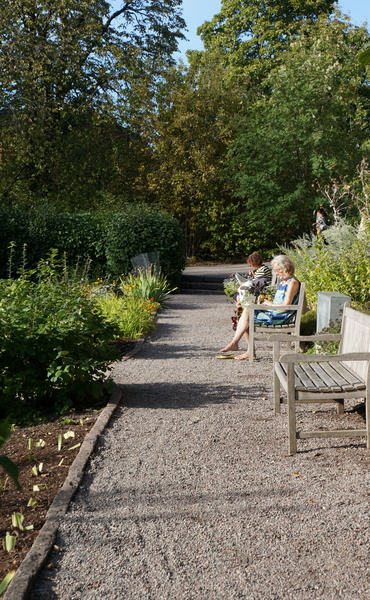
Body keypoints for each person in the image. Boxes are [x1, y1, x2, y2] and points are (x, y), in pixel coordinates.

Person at [221, 255, 300, 360]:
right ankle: (241, 346)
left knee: (247, 315)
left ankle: (241, 346)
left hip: (281, 316)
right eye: (276, 270)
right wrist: (264, 303)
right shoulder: (284, 282)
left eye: (278, 270)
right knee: (246, 313)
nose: (276, 273)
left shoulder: (292, 283)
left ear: (285, 268)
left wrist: (269, 304)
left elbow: (285, 307)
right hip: (274, 312)